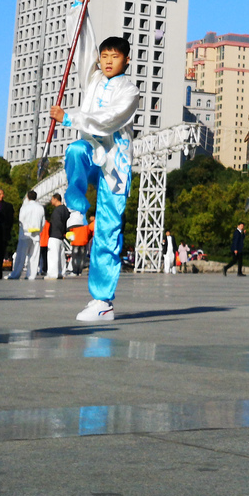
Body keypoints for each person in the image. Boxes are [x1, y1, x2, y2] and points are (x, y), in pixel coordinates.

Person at [58, 32, 139, 323]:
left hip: (115, 164)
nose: (107, 61)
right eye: (104, 56)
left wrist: (70, 118)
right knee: (75, 150)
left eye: (114, 56)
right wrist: (80, 6)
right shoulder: (92, 79)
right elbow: (80, 43)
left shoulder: (130, 91)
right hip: (92, 152)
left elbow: (108, 121)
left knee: (108, 229)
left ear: (126, 60)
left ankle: (102, 301)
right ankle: (77, 210)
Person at [16, 187, 45, 279]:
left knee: (21, 256)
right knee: (34, 256)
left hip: (25, 234)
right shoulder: (40, 208)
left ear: (28, 197)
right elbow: (43, 222)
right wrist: (39, 229)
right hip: (36, 235)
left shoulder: (24, 207)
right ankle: (31, 275)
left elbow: (21, 220)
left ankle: (16, 273)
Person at [45, 193, 70, 279]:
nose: (51, 201)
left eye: (52, 199)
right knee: (61, 256)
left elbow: (57, 222)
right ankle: (61, 272)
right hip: (61, 236)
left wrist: (54, 231)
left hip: (54, 235)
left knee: (53, 255)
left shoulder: (57, 211)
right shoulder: (65, 210)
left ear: (56, 199)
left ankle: (52, 274)